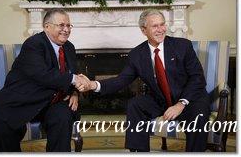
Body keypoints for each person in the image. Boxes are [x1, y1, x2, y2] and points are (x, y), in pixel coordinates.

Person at [78, 9, 210, 152]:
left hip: (190, 99)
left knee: (199, 113)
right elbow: (121, 80)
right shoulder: (137, 54)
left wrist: (180, 104)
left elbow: (198, 78)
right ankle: (139, 152)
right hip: (161, 100)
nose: (161, 30)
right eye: (155, 26)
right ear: (143, 30)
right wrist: (92, 84)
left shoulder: (183, 45)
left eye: (162, 24)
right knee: (135, 104)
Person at [0, 9, 89, 152]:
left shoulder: (69, 47)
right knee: (4, 127)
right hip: (22, 100)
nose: (66, 29)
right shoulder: (34, 44)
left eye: (69, 26)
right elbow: (43, 75)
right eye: (61, 25)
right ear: (47, 26)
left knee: (62, 115)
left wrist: (74, 92)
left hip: (50, 101)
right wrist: (75, 80)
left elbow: (71, 74)